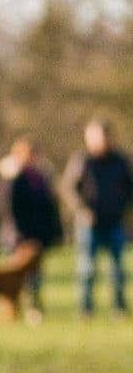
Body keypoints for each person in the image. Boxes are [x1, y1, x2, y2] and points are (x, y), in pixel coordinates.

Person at [61, 119, 132, 316]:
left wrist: (125, 209)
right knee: (87, 269)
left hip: (115, 221)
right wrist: (81, 210)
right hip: (89, 224)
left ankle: (119, 307)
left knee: (117, 269)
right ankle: (85, 308)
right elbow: (68, 188)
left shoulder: (120, 161)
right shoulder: (82, 160)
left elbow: (129, 187)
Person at [0, 136, 62, 320]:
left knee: (34, 278)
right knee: (11, 279)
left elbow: (50, 207)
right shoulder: (12, 178)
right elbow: (7, 208)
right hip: (18, 236)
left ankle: (34, 309)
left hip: (37, 235)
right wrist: (18, 233)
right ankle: (8, 312)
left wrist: (54, 232)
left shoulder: (41, 178)